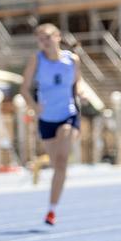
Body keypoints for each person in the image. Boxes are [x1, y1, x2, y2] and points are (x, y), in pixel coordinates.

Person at [20, 23, 84, 226]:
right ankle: (52, 205)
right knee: (57, 164)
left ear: (57, 37)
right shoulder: (36, 60)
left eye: (47, 37)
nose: (44, 42)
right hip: (46, 118)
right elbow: (24, 88)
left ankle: (52, 210)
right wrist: (33, 106)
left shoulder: (72, 60)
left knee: (63, 160)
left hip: (68, 114)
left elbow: (78, 82)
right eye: (40, 39)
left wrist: (81, 92)